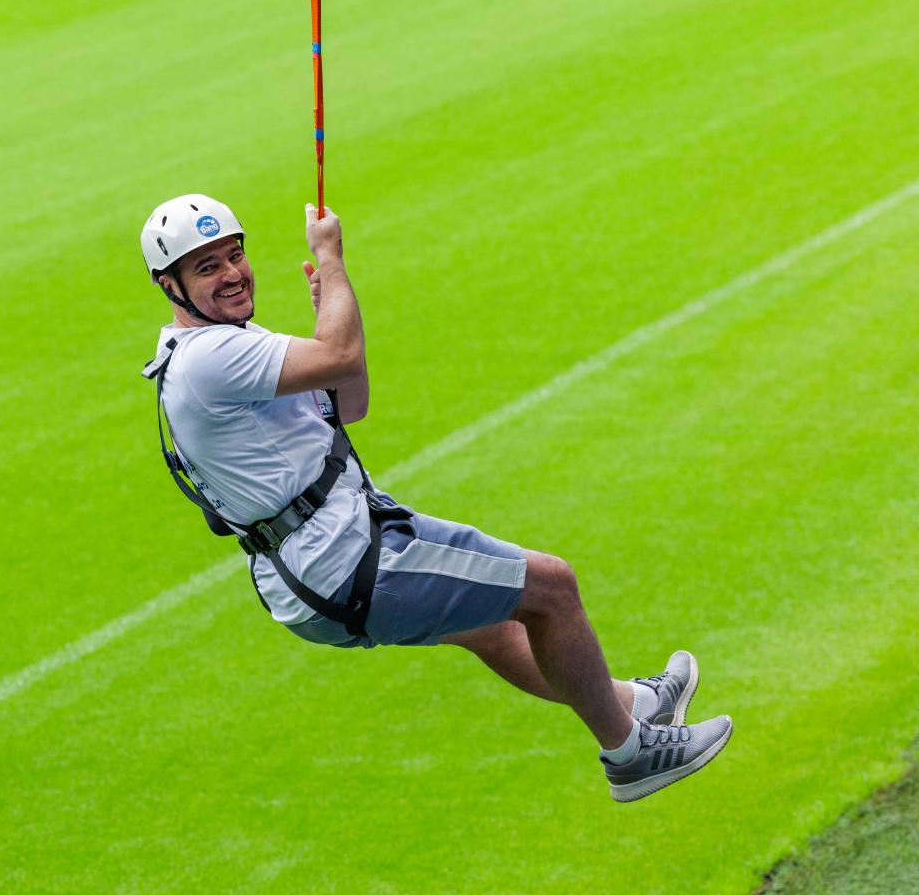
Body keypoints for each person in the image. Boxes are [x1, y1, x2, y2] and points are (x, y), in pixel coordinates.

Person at [139, 193, 732, 802]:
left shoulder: (224, 343)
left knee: (494, 627)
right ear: (170, 285)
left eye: (235, 256)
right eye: (207, 267)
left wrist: (333, 309)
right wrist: (332, 261)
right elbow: (339, 355)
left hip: (331, 559)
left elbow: (349, 403)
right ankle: (631, 753)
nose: (233, 274)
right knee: (552, 587)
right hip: (345, 561)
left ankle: (635, 704)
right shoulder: (211, 357)